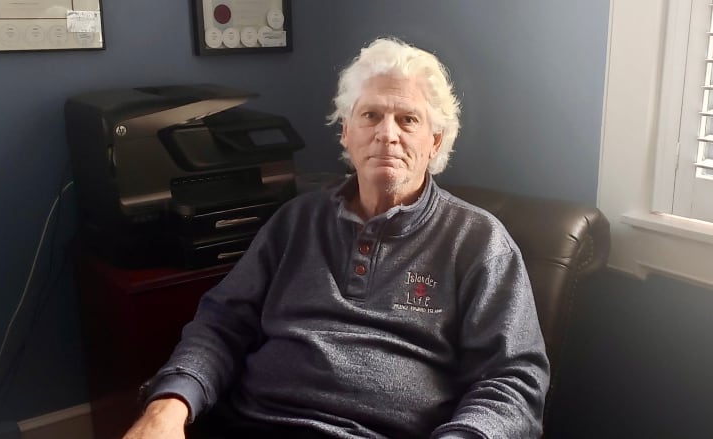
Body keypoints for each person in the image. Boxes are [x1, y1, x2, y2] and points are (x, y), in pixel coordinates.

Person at [123, 37, 549, 439]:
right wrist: (168, 407)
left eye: (408, 119)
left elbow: (512, 380)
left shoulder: (478, 241)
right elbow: (221, 323)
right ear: (346, 132)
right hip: (253, 424)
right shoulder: (297, 221)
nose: (387, 133)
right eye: (370, 116)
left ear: (435, 141)